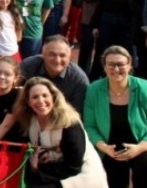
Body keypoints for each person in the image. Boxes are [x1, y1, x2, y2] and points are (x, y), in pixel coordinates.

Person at [13, 77, 107, 188]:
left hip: (79, 175)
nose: (41, 101)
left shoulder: (69, 123)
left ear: (53, 97)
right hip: (50, 170)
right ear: (28, 102)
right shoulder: (29, 121)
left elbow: (73, 166)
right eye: (35, 97)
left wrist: (37, 167)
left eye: (45, 95)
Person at [83, 46, 147, 188]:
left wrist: (140, 147)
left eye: (120, 64)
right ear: (104, 67)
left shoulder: (144, 88)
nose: (116, 69)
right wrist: (104, 147)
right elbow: (89, 125)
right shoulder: (93, 89)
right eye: (111, 65)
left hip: (141, 143)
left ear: (129, 65)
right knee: (113, 180)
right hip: (109, 145)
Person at [20, 35, 89, 114]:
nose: (57, 60)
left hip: (62, 119)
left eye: (62, 55)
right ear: (43, 54)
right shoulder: (27, 66)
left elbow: (75, 114)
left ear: (69, 57)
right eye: (52, 55)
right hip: (29, 115)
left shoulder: (79, 80)